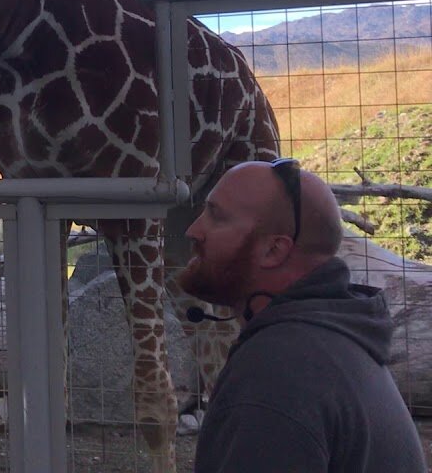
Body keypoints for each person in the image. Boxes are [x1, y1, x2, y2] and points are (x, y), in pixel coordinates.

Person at [179, 158, 426, 472]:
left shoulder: (278, 372)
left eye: (216, 216)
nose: (193, 230)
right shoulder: (331, 339)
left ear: (274, 251)